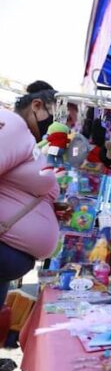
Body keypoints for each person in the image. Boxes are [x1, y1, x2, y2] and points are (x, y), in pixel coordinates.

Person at [0, 81, 61, 306]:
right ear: (36, 105)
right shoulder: (14, 124)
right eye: (61, 117)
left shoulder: (30, 141)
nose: (64, 126)